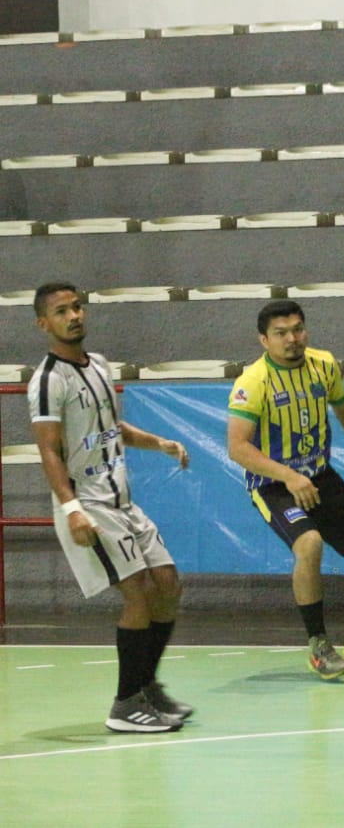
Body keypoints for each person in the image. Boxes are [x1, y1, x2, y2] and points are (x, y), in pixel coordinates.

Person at [28, 281, 194, 733]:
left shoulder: (99, 365)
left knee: (168, 582)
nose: (74, 316)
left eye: (77, 307)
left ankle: (147, 687)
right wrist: (71, 509)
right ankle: (125, 705)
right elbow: (48, 451)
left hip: (122, 499)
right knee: (137, 590)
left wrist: (158, 442)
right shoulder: (47, 381)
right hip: (88, 503)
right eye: (62, 311)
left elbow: (110, 427)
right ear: (45, 323)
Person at [226, 299, 344, 679]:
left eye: (298, 329)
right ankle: (319, 645)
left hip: (319, 475)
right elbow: (238, 447)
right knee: (309, 544)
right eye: (281, 333)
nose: (292, 339)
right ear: (264, 340)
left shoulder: (324, 364)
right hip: (274, 483)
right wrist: (289, 477)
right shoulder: (253, 382)